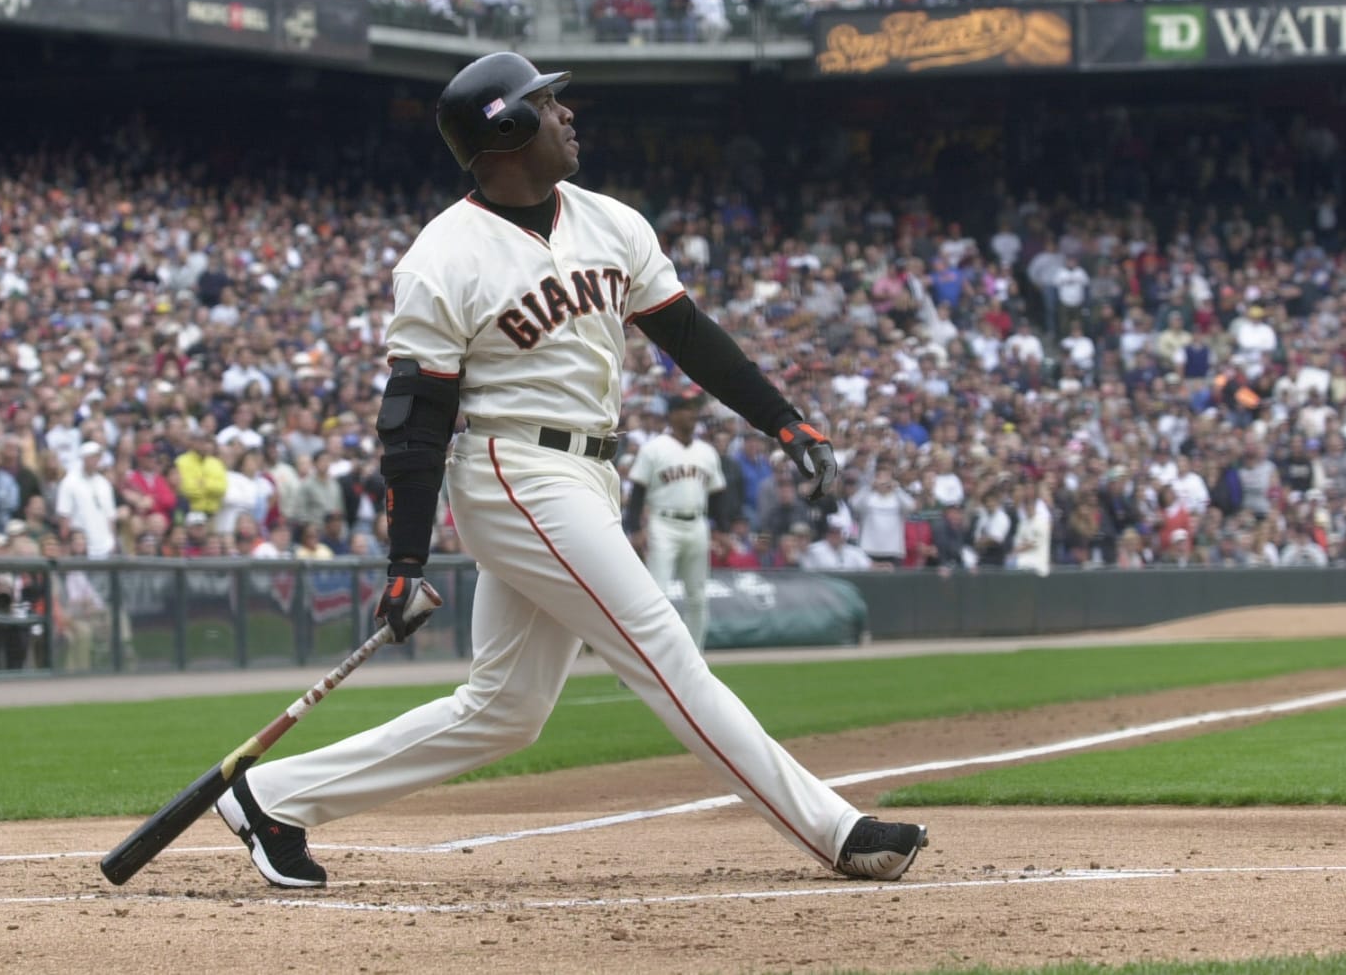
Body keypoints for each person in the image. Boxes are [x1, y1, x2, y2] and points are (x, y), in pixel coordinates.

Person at [213, 52, 926, 889]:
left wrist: (783, 418)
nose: (568, 113)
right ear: (506, 129)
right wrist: (406, 562)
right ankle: (837, 830)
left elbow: (688, 333)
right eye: (547, 103)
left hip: (588, 472)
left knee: (505, 711)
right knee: (664, 648)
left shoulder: (611, 222)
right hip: (512, 467)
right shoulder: (443, 255)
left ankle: (271, 797)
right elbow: (415, 422)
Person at [625, 391, 727, 649]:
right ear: (671, 414)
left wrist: (722, 530)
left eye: (694, 408)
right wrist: (634, 528)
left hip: (697, 525)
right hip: (663, 523)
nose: (691, 413)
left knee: (698, 597)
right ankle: (649, 659)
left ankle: (695, 660)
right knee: (657, 595)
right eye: (685, 408)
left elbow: (716, 496)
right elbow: (637, 492)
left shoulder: (706, 451)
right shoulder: (654, 449)